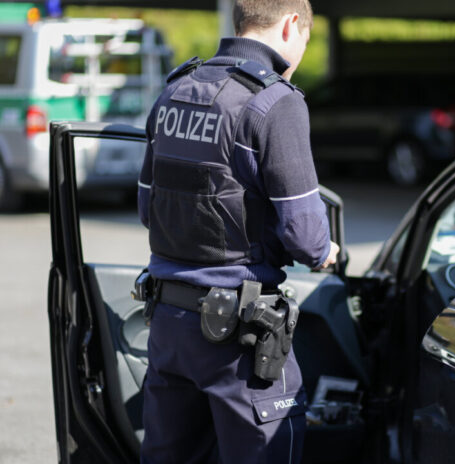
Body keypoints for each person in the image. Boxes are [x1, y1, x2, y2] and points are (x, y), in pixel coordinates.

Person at [136, 1, 339, 462]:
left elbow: (150, 209)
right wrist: (327, 250)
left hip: (168, 329)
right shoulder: (275, 102)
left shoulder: (174, 90)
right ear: (292, 24)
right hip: (240, 341)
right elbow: (305, 238)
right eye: (306, 39)